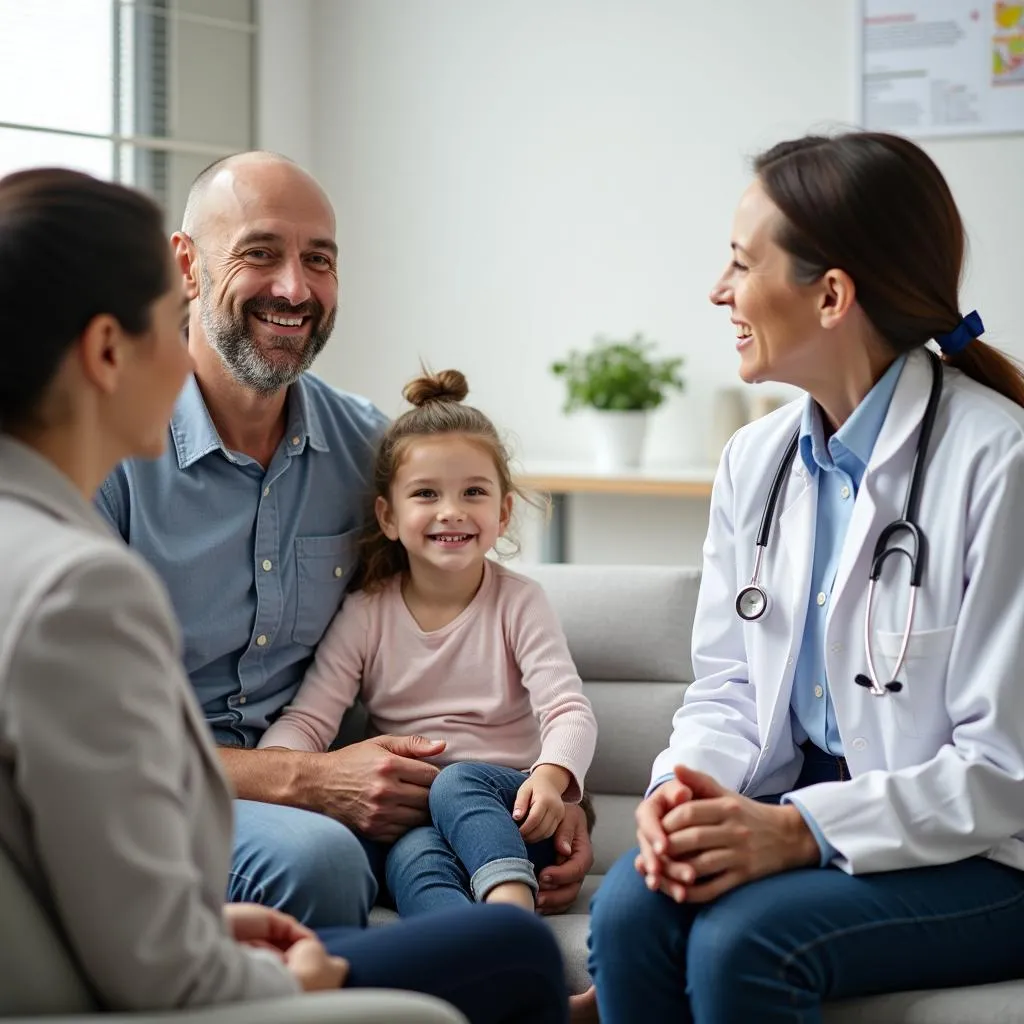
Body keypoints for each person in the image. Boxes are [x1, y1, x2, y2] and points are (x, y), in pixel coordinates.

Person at [0, 167, 570, 1023]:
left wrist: (538, 787)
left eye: (320, 260)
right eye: (167, 324)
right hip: (205, 919)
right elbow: (149, 948)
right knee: (508, 950)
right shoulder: (77, 583)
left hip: (178, 911)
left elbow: (91, 874)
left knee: (471, 923)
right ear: (110, 349)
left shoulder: (365, 448)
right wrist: (288, 973)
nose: (295, 289)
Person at [587, 131, 1024, 1023]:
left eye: (741, 265)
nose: (719, 291)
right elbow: (730, 689)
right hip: (805, 808)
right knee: (633, 908)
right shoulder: (757, 461)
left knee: (747, 939)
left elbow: (1001, 771)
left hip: (986, 850)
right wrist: (684, 794)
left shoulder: (998, 462)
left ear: (830, 295)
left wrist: (799, 831)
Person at [260, 369, 598, 917]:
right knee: (413, 855)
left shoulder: (519, 602)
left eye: (473, 492)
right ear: (389, 516)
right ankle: (467, 949)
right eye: (425, 494)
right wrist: (277, 768)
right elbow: (309, 719)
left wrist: (551, 779)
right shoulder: (366, 613)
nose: (451, 510)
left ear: (503, 512)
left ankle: (511, 913)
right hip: (412, 820)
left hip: (509, 809)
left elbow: (568, 713)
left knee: (455, 783)